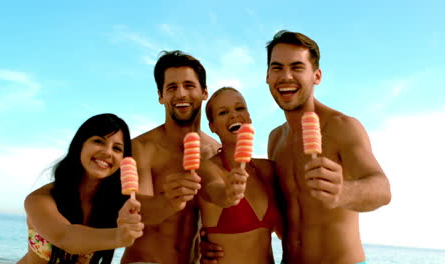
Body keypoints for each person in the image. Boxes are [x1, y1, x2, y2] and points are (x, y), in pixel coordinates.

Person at [202, 31, 392, 264]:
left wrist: (343, 192)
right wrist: (212, 240)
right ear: (268, 76)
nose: (286, 76)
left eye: (297, 67)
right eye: (277, 67)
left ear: (317, 76)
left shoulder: (341, 127)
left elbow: (382, 189)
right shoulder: (276, 139)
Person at [121, 50, 221, 264]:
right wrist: (169, 202)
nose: (181, 94)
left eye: (189, 85)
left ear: (204, 92)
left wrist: (218, 247)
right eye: (172, 87)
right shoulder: (142, 148)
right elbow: (137, 212)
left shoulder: (216, 152)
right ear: (160, 96)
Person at [18, 113, 144, 264]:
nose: (108, 152)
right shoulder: (40, 199)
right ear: (79, 145)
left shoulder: (118, 206)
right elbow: (65, 237)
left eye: (117, 148)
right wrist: (118, 236)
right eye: (98, 141)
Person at [197, 87, 282, 264]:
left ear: (249, 117)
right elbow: (215, 192)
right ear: (213, 127)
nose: (234, 115)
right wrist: (228, 194)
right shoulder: (206, 168)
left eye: (239, 108)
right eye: (223, 112)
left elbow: (285, 231)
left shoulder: (267, 169)